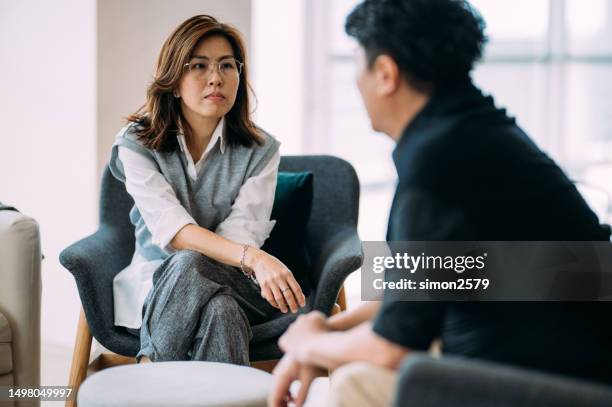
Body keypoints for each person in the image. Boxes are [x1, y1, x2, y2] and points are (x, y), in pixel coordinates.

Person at [269, 0, 612, 406]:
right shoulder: (476, 131)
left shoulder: (437, 163)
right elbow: (426, 285)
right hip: (571, 357)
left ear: (385, 74)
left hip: (552, 383)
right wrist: (325, 332)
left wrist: (307, 344)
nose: (355, 83)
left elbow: (391, 346)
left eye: (357, 66)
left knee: (357, 380)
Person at [108, 15, 306, 365]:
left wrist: (247, 257)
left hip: (233, 278)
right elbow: (174, 232)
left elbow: (242, 231)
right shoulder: (136, 143)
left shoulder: (262, 150)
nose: (216, 77)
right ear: (173, 80)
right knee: (221, 310)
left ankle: (147, 379)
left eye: (227, 65)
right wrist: (256, 258)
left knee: (195, 266)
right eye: (199, 65)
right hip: (157, 282)